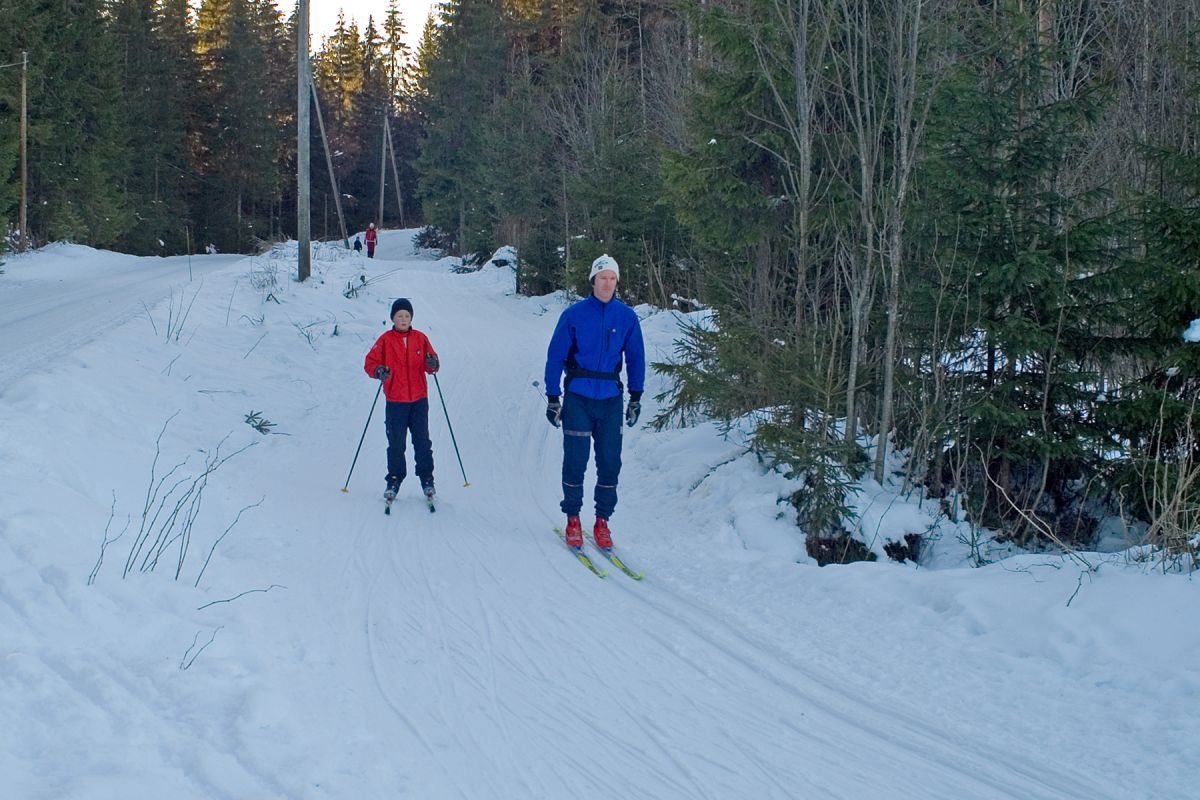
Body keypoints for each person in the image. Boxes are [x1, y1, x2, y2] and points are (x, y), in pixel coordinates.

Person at [543, 254, 645, 550]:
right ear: (593, 281)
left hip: (611, 399)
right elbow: (555, 356)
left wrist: (636, 396)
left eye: (612, 278)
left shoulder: (626, 317)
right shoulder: (574, 315)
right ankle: (573, 519)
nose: (608, 283)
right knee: (576, 460)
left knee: (610, 462)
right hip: (578, 398)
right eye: (603, 278)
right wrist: (553, 397)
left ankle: (602, 521)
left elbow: (636, 357)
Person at [364, 298, 440, 502]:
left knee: (422, 441)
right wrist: (378, 371)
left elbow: (431, 364)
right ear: (393, 318)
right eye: (399, 316)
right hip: (396, 400)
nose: (403, 319)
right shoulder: (385, 340)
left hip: (418, 400)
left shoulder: (420, 338)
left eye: (407, 315)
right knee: (396, 443)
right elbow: (370, 363)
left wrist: (432, 363)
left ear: (411, 317)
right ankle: (394, 480)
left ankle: (427, 479)